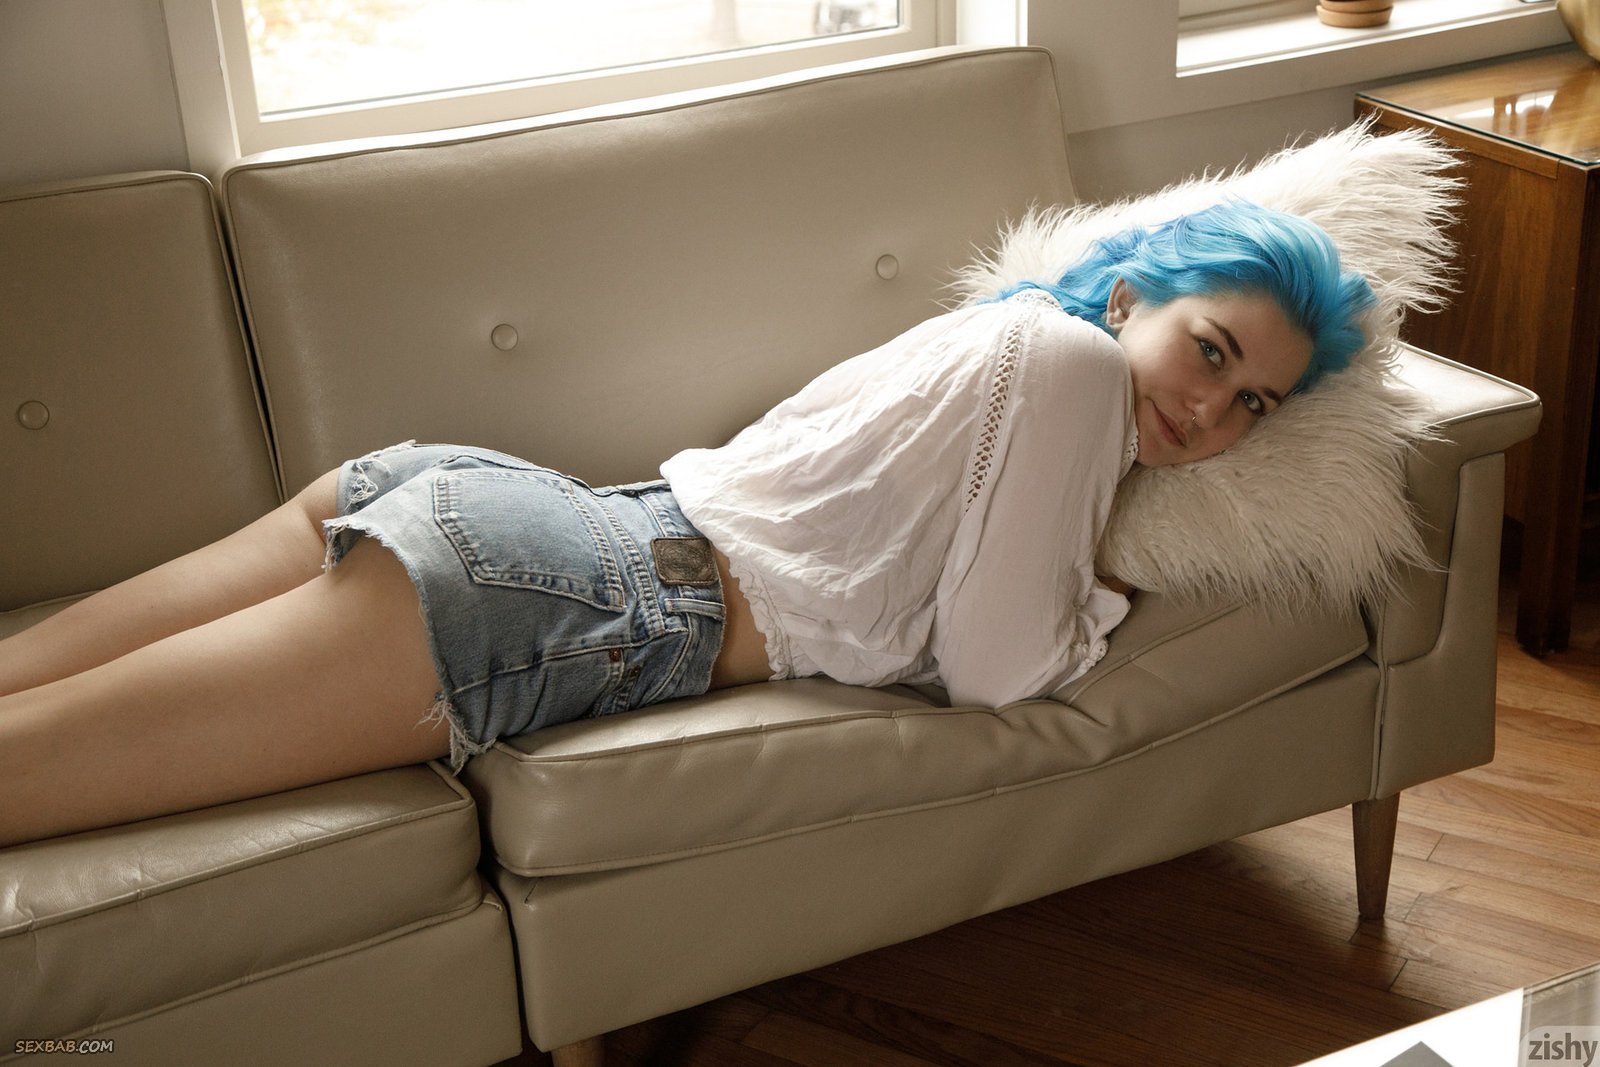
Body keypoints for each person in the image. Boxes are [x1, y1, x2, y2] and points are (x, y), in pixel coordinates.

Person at [0, 200, 1375, 848]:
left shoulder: (1006, 340)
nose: (1213, 412)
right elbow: (1000, 666)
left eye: (1255, 404)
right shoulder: (1069, 371)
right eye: (1210, 351)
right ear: (1129, 299)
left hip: (521, 513)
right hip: (573, 597)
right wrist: (1102, 607)